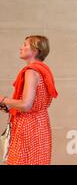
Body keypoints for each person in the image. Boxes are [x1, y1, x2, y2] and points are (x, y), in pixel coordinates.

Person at [0, 35, 58, 165]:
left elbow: (26, 105)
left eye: (25, 45)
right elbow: (31, 102)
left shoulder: (31, 72)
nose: (21, 47)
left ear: (35, 50)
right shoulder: (44, 70)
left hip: (28, 125)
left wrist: (3, 99)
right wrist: (5, 104)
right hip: (41, 123)